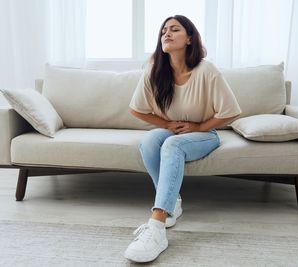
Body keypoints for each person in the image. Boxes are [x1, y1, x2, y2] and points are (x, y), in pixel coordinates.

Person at [124, 15, 242, 263]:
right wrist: (166, 124)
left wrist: (199, 125)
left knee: (172, 144)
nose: (166, 33)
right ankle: (172, 203)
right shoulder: (155, 70)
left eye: (174, 29)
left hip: (205, 135)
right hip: (173, 132)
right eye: (164, 30)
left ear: (189, 39)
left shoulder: (206, 70)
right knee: (149, 141)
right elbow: (136, 109)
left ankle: (156, 227)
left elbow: (231, 112)